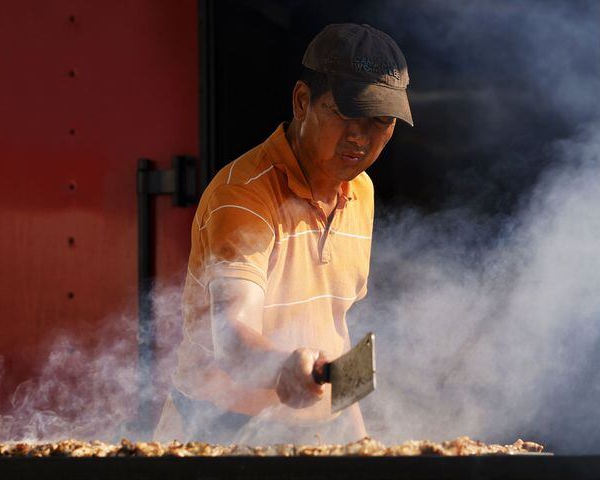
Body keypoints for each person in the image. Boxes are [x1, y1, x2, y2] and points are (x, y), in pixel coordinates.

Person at [155, 23, 413, 444]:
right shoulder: (241, 197)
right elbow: (233, 335)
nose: (360, 136)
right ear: (301, 101)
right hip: (214, 433)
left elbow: (334, 324)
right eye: (346, 112)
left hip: (315, 436)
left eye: (380, 120)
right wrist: (281, 370)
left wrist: (359, 441)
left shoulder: (360, 190)